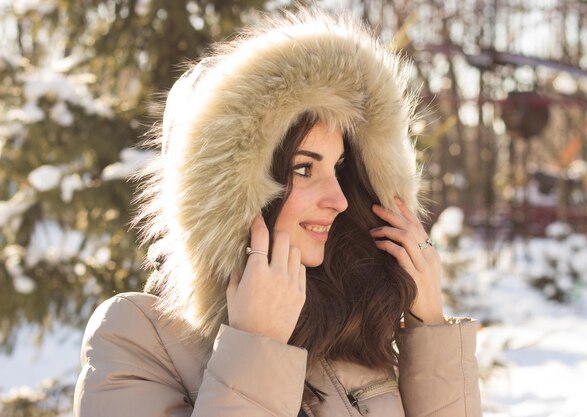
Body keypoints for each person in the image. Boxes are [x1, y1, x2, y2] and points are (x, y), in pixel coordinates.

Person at [74, 7, 482, 417]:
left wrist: (427, 328)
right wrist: (254, 344)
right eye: (304, 168)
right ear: (230, 192)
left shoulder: (353, 327)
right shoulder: (137, 334)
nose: (339, 200)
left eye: (339, 169)